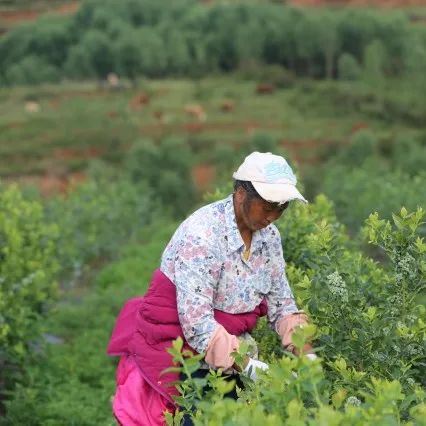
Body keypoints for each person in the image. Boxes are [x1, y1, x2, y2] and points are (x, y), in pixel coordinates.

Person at [107, 152, 315, 425]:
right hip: (187, 357)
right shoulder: (203, 235)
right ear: (241, 194)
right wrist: (248, 366)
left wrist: (305, 351)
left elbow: (281, 302)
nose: (273, 216)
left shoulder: (269, 237)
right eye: (268, 206)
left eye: (281, 208)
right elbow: (197, 324)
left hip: (231, 355)